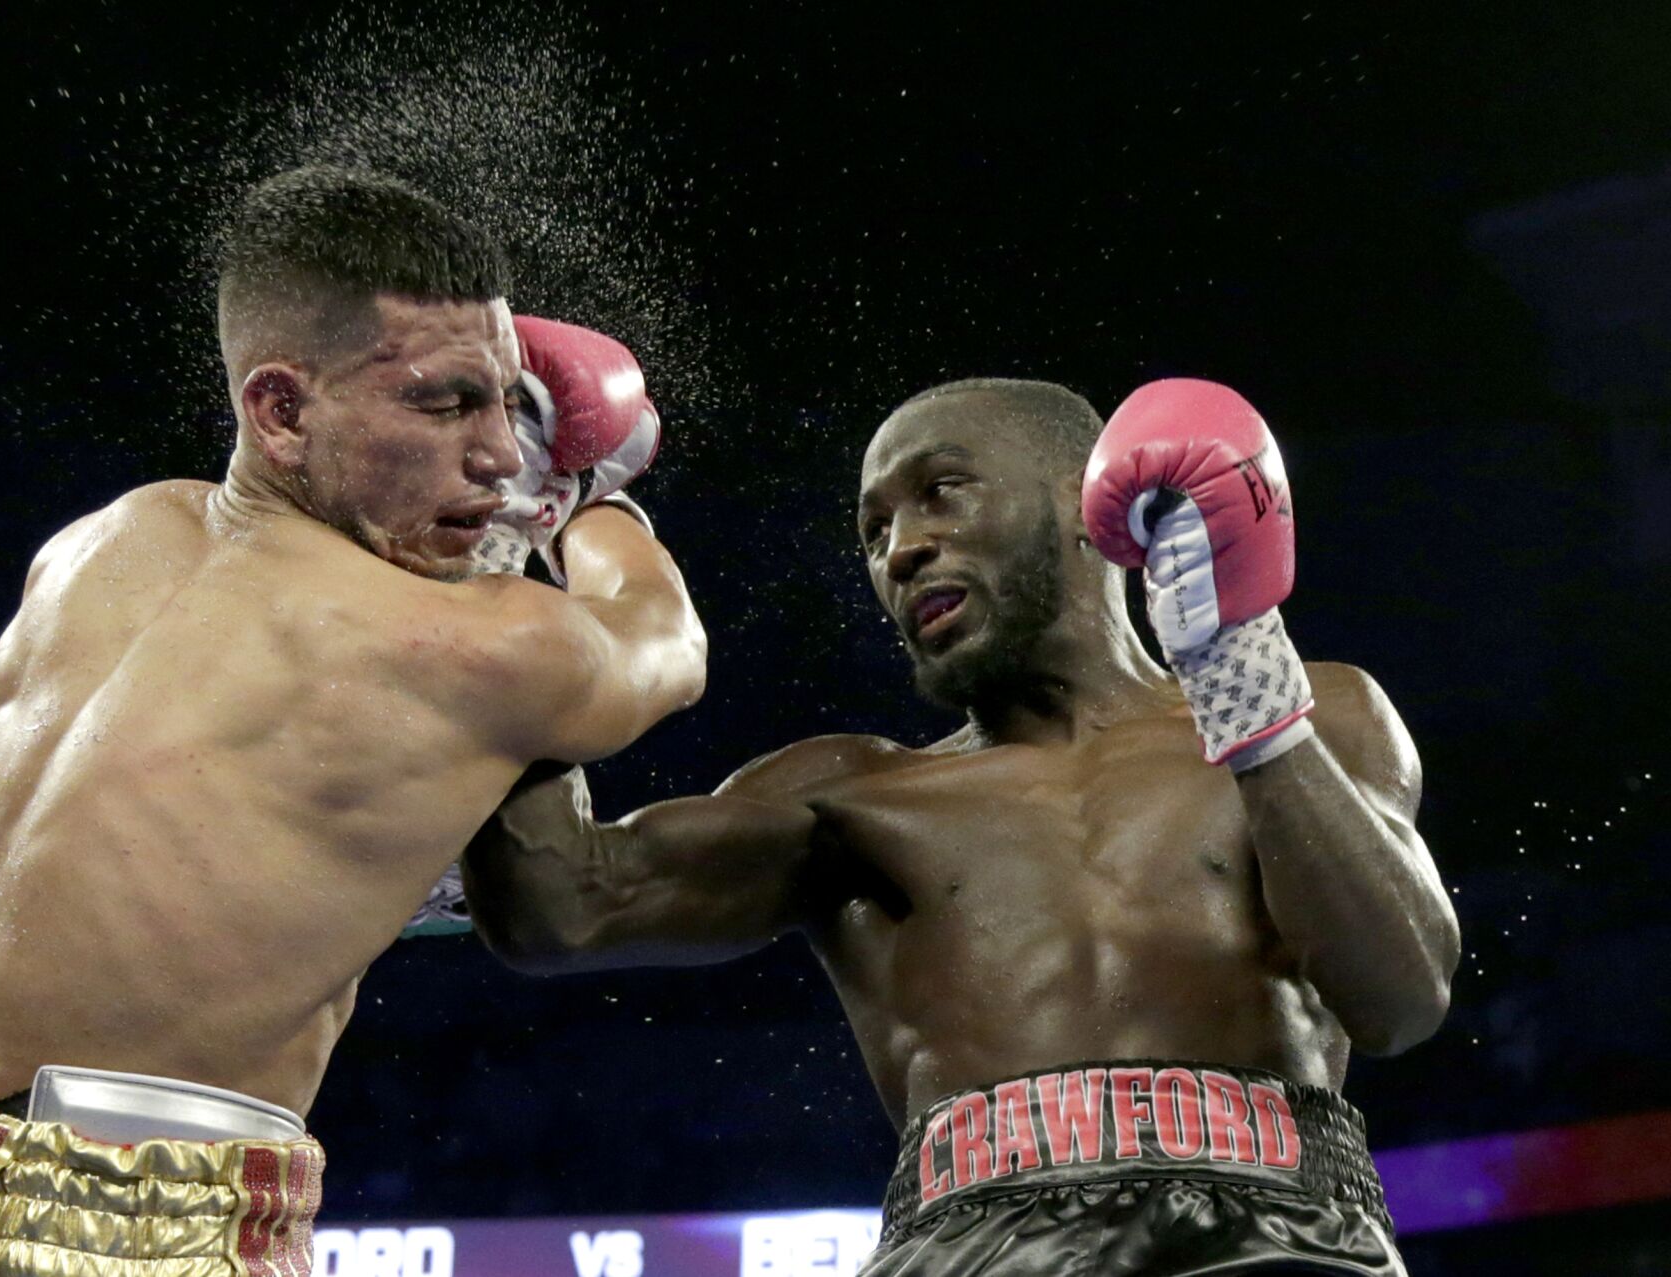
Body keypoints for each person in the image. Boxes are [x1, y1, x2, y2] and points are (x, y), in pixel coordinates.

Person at [0, 166, 706, 1276]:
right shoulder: (446, 643)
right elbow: (664, 648)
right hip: (160, 1218)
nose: (501, 455)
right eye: (444, 402)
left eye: (508, 407)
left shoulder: (92, 547)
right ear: (278, 408)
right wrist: (594, 490)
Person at [464, 377, 1458, 1275]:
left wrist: (1244, 688)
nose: (900, 548)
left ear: (1086, 496)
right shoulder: (851, 791)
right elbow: (562, 904)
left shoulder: (1319, 711)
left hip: (1279, 1229)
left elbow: (1399, 997)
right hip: (971, 1241)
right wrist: (499, 552)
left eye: (942, 489)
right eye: (871, 531)